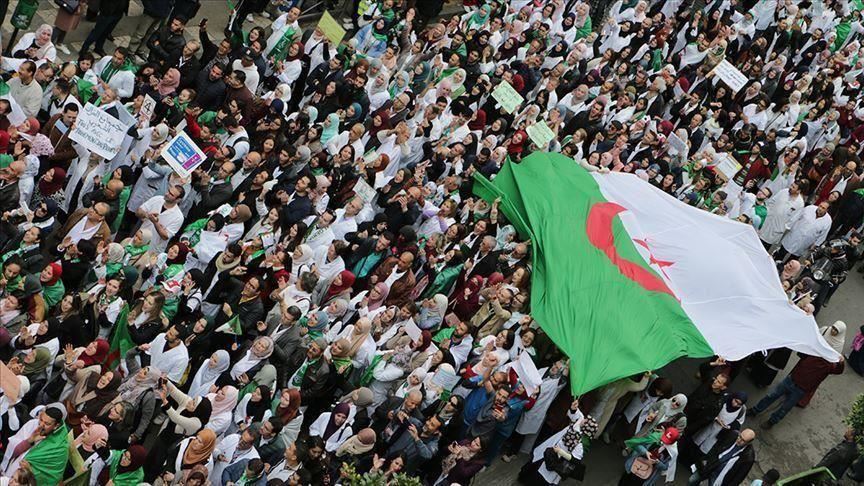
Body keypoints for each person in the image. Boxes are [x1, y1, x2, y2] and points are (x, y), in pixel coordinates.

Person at [750, 355, 845, 429]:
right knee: (771, 395)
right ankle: (755, 410)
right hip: (791, 380)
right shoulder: (814, 353)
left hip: (801, 389)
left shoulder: (829, 365)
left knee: (785, 408)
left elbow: (838, 371)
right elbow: (801, 353)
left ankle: (771, 421)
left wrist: (841, 363)